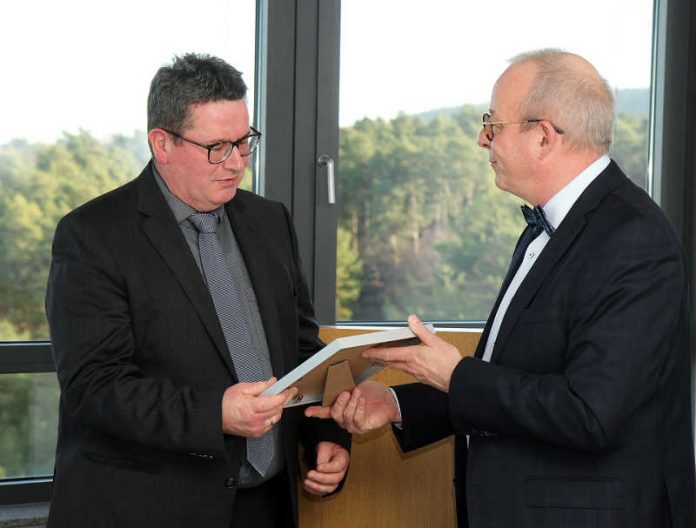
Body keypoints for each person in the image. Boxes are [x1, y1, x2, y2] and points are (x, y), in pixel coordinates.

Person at [307, 49, 696, 527]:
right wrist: (396, 403)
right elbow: (515, 375)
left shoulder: (633, 239)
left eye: (493, 125)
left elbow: (590, 413)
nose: (481, 139)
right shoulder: (552, 225)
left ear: (544, 137)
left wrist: (454, 376)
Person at [46, 53, 350, 528]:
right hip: (149, 508)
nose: (235, 163)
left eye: (244, 142)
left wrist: (325, 435)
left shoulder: (270, 221)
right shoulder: (94, 235)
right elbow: (94, 386)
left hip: (266, 504)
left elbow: (302, 351)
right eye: (216, 147)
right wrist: (215, 415)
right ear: (161, 143)